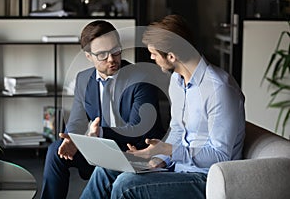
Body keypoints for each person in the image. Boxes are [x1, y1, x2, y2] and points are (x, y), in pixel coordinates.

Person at [80, 14, 245, 199]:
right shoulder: (177, 80)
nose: (151, 57)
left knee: (126, 185)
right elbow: (176, 131)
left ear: (172, 56)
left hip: (206, 178)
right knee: (105, 171)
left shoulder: (219, 90)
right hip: (176, 168)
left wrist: (165, 150)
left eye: (155, 54)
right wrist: (158, 160)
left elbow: (220, 156)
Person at [40, 20, 166, 199]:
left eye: (116, 50)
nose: (112, 59)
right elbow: (76, 121)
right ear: (88, 56)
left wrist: (100, 134)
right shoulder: (83, 79)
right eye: (102, 54)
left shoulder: (141, 77)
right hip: (101, 149)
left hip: (134, 151)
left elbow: (139, 129)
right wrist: (72, 139)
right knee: (55, 150)